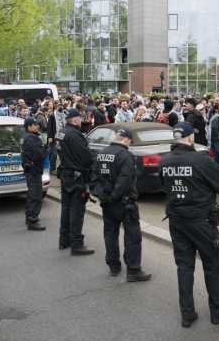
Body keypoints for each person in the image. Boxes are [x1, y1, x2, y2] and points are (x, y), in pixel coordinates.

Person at [160, 122, 219, 328]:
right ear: (190, 138)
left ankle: (187, 313)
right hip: (201, 222)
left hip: (177, 220)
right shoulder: (201, 160)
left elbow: (163, 186)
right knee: (214, 263)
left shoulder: (164, 161)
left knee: (184, 266)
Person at [90, 128, 152, 282]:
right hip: (124, 203)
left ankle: (113, 266)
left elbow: (94, 178)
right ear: (126, 139)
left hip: (107, 203)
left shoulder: (101, 153)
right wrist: (113, 196)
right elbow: (124, 181)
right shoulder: (126, 155)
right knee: (132, 236)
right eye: (130, 142)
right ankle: (133, 270)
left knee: (110, 234)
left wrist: (102, 196)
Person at [58, 108, 95, 255]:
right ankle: (76, 244)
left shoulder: (61, 132)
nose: (82, 121)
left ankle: (64, 239)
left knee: (66, 209)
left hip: (66, 175)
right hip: (76, 178)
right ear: (74, 120)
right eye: (80, 118)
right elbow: (85, 158)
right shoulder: (75, 135)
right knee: (77, 211)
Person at [22, 118, 47, 231]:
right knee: (36, 196)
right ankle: (33, 220)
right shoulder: (32, 138)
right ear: (29, 127)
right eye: (35, 125)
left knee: (31, 194)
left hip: (30, 169)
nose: (37, 127)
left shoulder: (27, 137)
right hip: (34, 170)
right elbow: (40, 155)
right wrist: (45, 148)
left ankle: (29, 217)